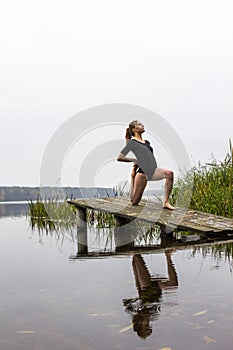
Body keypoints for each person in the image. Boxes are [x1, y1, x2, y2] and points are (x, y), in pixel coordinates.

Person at [117, 120, 175, 209]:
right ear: (134, 129)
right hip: (142, 173)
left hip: (153, 170)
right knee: (134, 201)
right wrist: (135, 160)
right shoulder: (133, 142)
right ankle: (133, 176)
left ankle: (166, 202)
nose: (142, 125)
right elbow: (120, 157)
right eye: (139, 124)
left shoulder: (147, 142)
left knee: (169, 173)